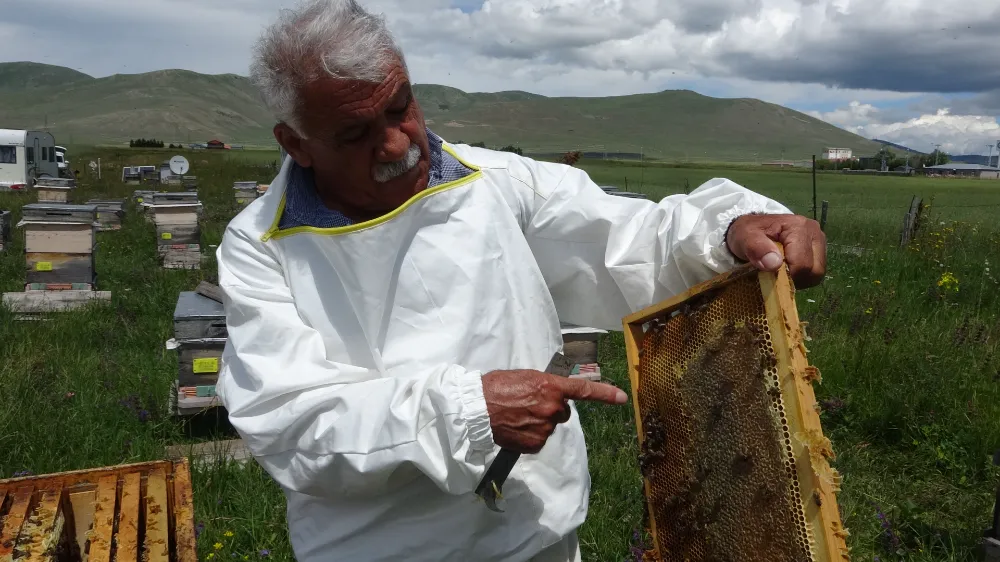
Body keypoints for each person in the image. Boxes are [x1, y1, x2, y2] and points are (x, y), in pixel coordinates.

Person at [214, 1, 827, 561]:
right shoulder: (258, 248)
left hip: (538, 533)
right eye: (356, 134)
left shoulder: (495, 183)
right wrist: (469, 411)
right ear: (296, 144)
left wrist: (729, 230)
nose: (397, 144)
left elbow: (628, 239)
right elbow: (290, 420)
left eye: (401, 108)